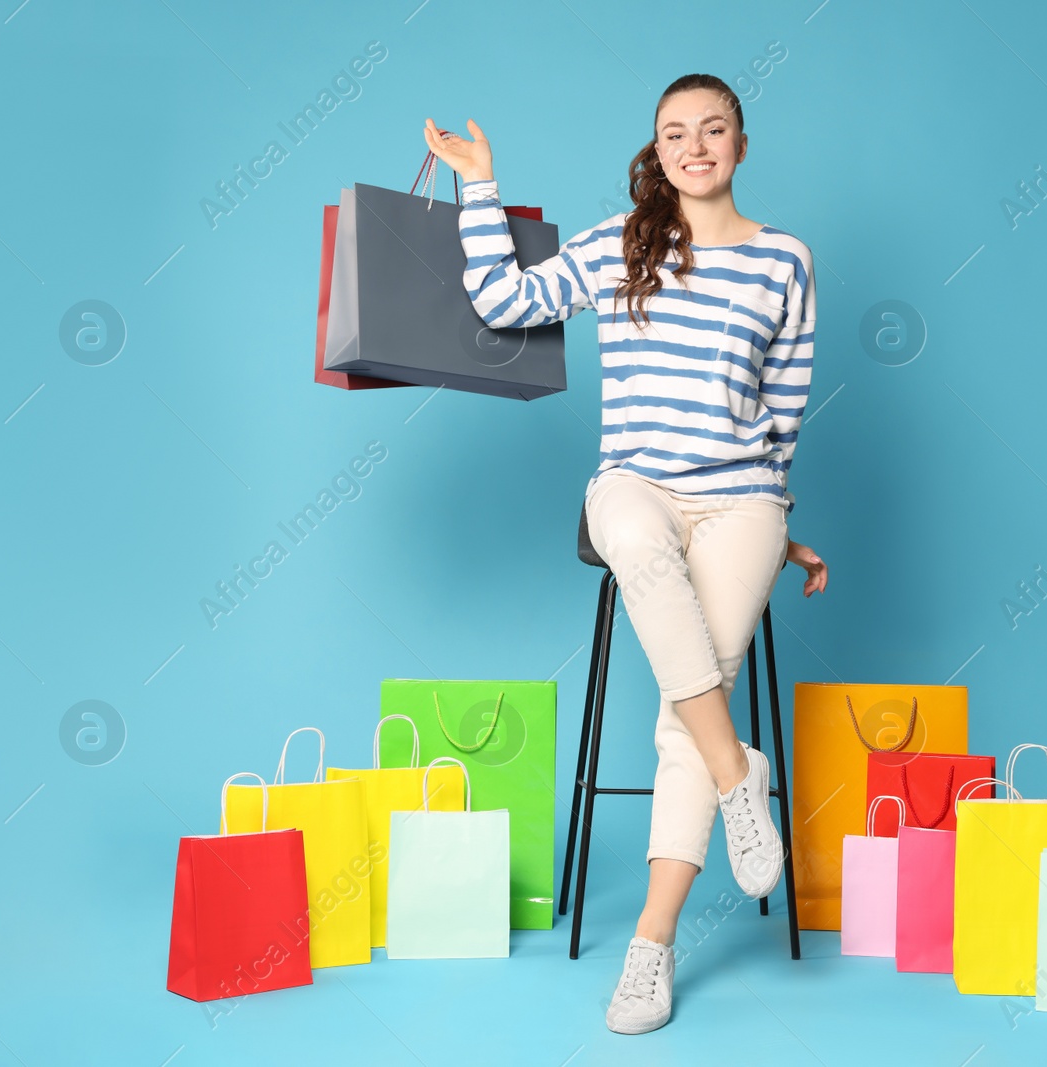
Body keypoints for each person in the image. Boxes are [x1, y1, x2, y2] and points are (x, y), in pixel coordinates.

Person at [425, 72, 823, 1035]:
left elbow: (784, 409)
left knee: (686, 711)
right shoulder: (622, 244)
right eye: (675, 133)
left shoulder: (785, 261)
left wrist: (775, 519)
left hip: (741, 500)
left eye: (713, 129)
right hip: (633, 482)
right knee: (636, 541)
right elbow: (502, 299)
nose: (695, 146)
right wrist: (480, 185)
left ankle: (651, 945)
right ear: (658, 149)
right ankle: (741, 779)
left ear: (739, 143)